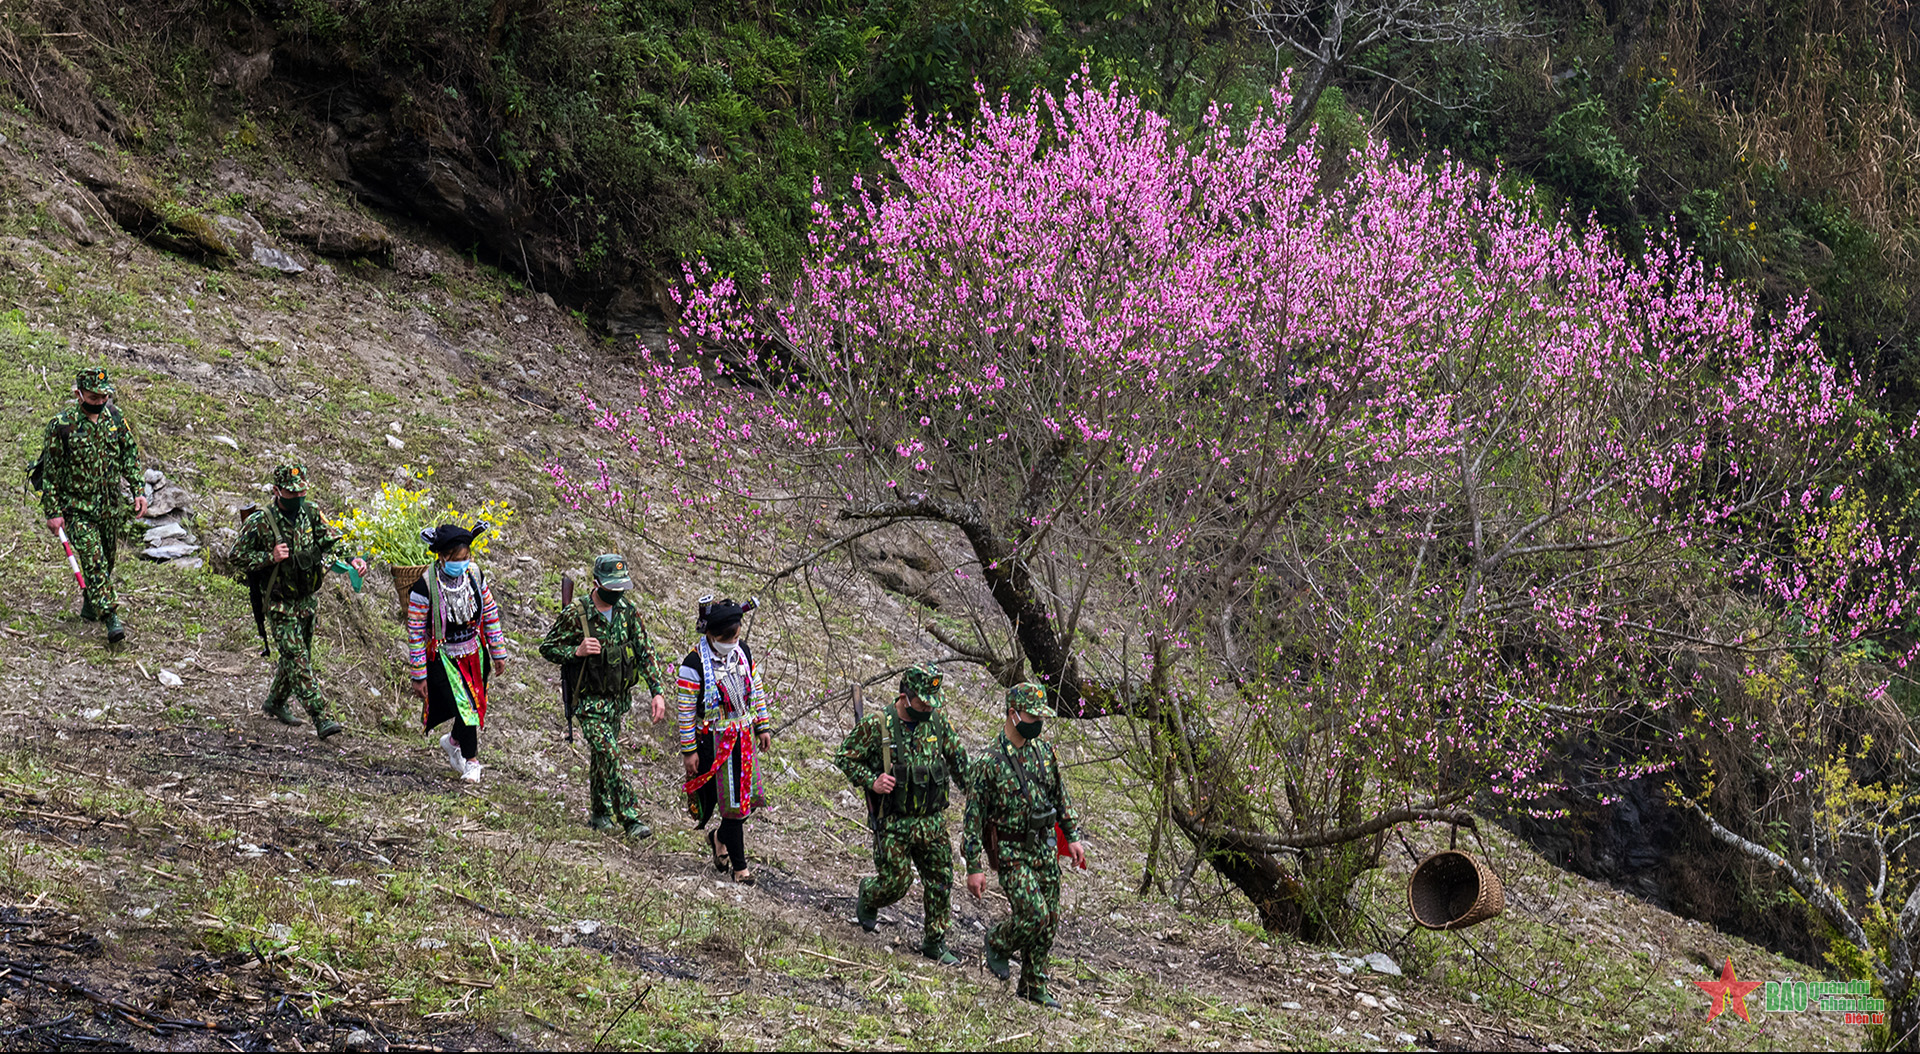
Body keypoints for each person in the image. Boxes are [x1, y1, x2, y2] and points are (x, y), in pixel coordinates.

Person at [833, 662, 971, 965]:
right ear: (905, 695)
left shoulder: (937, 724)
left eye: (931, 703)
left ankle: (935, 940)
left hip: (932, 822)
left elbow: (961, 765)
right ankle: (869, 895)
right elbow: (844, 757)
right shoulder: (878, 725)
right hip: (894, 822)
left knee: (941, 879)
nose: (927, 708)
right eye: (922, 701)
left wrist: (978, 793)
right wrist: (873, 780)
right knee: (897, 882)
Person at [963, 682, 1089, 1009]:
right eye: (1032, 716)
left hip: (1044, 847)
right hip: (1011, 851)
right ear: (1012, 714)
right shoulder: (988, 763)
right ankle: (998, 940)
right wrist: (974, 867)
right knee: (1034, 914)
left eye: (1040, 716)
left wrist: (1072, 836)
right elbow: (973, 818)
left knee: (1050, 921)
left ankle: (1033, 984)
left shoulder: (1045, 753)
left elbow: (1061, 797)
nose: (1037, 722)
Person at [230, 463, 368, 739]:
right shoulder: (260, 521)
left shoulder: (311, 512)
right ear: (276, 491)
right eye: (291, 494)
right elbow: (236, 556)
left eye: (301, 492)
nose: (297, 498)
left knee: (297, 656)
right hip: (278, 602)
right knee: (297, 659)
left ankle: (276, 702)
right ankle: (322, 716)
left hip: (306, 599)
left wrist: (353, 558)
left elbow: (331, 541)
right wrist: (270, 556)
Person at [538, 554, 667, 837]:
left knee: (601, 757)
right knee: (611, 755)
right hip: (588, 702)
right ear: (597, 583)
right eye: (612, 587)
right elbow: (547, 648)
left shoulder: (628, 612)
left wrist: (657, 692)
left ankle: (599, 814)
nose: (617, 593)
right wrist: (576, 651)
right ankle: (630, 818)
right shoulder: (577, 613)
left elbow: (645, 652)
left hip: (616, 702)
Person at [31, 368, 148, 644]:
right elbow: (50, 472)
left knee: (106, 561)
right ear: (78, 394)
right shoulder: (60, 425)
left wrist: (138, 490)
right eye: (94, 397)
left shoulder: (116, 419)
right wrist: (53, 512)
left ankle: (90, 603)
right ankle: (111, 618)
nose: (99, 402)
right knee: (94, 563)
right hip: (77, 509)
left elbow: (129, 453)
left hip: (109, 508)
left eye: (104, 396)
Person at [678, 597, 770, 885]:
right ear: (711, 635)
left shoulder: (742, 652)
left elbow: (755, 688)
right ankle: (740, 869)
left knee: (745, 802)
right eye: (727, 637)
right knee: (731, 805)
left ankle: (719, 838)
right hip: (714, 744)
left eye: (736, 635)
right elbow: (685, 711)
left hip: (742, 738)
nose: (733, 641)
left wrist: (762, 726)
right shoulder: (693, 664)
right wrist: (689, 751)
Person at [408, 523, 507, 783]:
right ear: (443, 557)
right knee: (467, 707)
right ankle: (472, 762)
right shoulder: (425, 586)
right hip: (445, 657)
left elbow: (490, 613)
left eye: (467, 558)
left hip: (475, 653)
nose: (464, 563)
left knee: (473, 703)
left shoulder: (474, 574)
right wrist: (419, 675)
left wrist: (498, 652)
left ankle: (453, 742)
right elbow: (416, 632)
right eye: (458, 559)